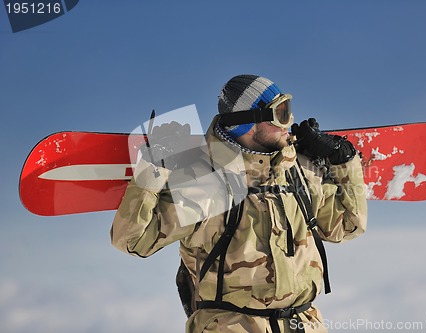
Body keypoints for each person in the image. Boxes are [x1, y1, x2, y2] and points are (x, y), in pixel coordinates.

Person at [111, 74, 368, 333]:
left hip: (303, 324)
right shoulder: (203, 181)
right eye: (280, 113)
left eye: (288, 109)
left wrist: (344, 162)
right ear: (249, 123)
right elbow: (132, 241)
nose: (289, 122)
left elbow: (347, 227)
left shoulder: (298, 171)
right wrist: (152, 169)